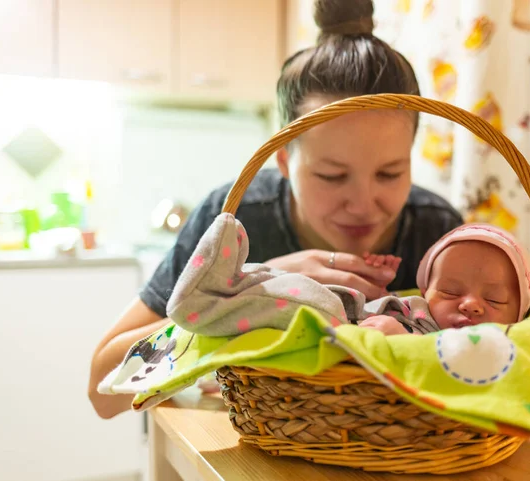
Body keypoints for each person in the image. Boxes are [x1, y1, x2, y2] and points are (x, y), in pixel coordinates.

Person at [88, 0, 463, 419]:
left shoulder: (438, 233)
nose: (362, 204)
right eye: (332, 176)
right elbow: (103, 391)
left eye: (390, 173)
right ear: (284, 161)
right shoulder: (232, 222)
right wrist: (248, 292)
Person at [358, 224, 530, 336]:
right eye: (450, 292)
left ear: (521, 314)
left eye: (494, 299)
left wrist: (402, 341)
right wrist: (375, 296)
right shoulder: (414, 314)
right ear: (425, 292)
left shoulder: (513, 345)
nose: (470, 305)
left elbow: (459, 361)